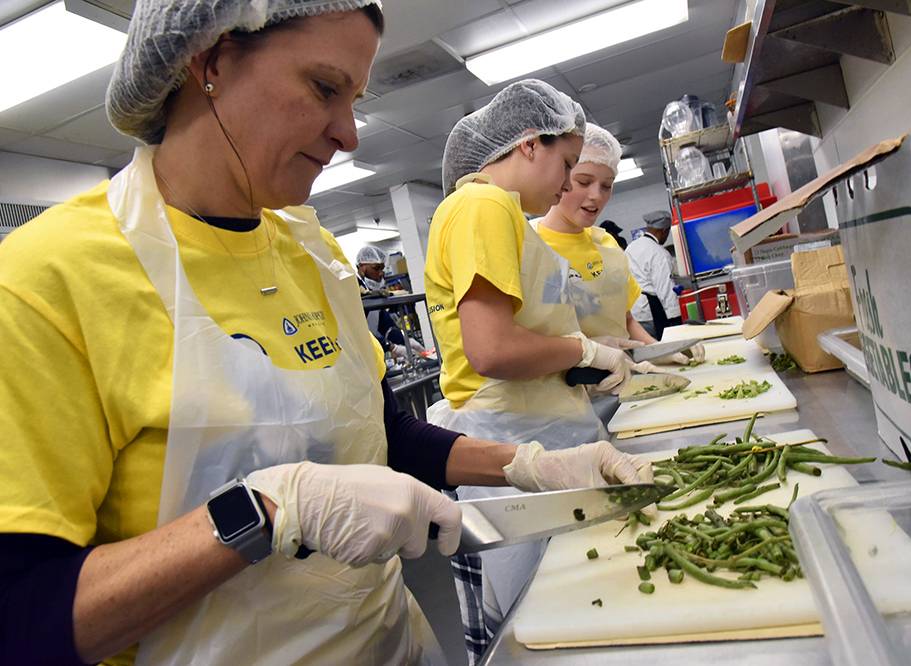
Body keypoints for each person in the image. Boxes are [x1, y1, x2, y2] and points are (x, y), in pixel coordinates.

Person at [0, 5, 652, 665]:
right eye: (323, 88)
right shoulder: (47, 282)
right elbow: (22, 618)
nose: (349, 135)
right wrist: (269, 510)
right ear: (211, 62)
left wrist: (528, 465)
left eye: (356, 100)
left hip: (389, 644)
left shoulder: (313, 256)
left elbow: (385, 434)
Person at [423, 81, 657, 663]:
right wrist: (581, 354)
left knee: (573, 603)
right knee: (542, 625)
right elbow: (492, 349)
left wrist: (592, 345)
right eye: (568, 165)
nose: (567, 184)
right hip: (508, 438)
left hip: (538, 428)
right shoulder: (482, 206)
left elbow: (523, 333)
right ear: (529, 144)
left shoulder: (502, 215)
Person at [535, 123, 702, 423]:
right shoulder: (530, 245)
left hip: (626, 390)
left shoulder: (607, 243)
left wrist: (656, 351)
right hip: (563, 407)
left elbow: (623, 320)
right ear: (560, 175)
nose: (596, 196)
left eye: (607, 185)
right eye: (583, 181)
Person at [627, 209, 683, 337]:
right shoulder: (659, 253)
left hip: (633, 312)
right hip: (650, 312)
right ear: (664, 230)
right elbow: (665, 288)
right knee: (661, 349)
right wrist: (675, 318)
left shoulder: (631, 247)